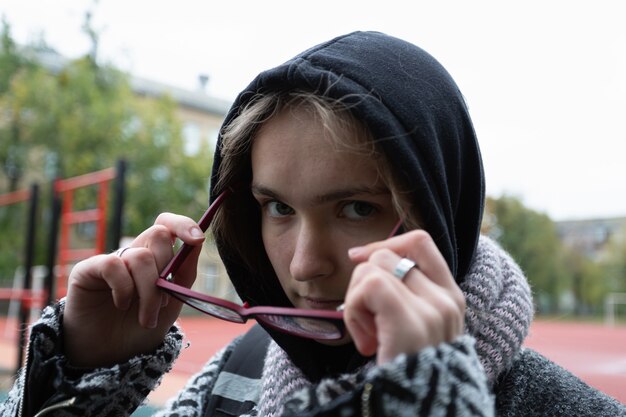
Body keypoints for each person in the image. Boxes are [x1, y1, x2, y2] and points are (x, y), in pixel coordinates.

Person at [1, 31, 624, 417]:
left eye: (357, 209)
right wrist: (79, 379)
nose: (303, 265)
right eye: (278, 208)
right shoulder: (237, 375)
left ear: (442, 211)